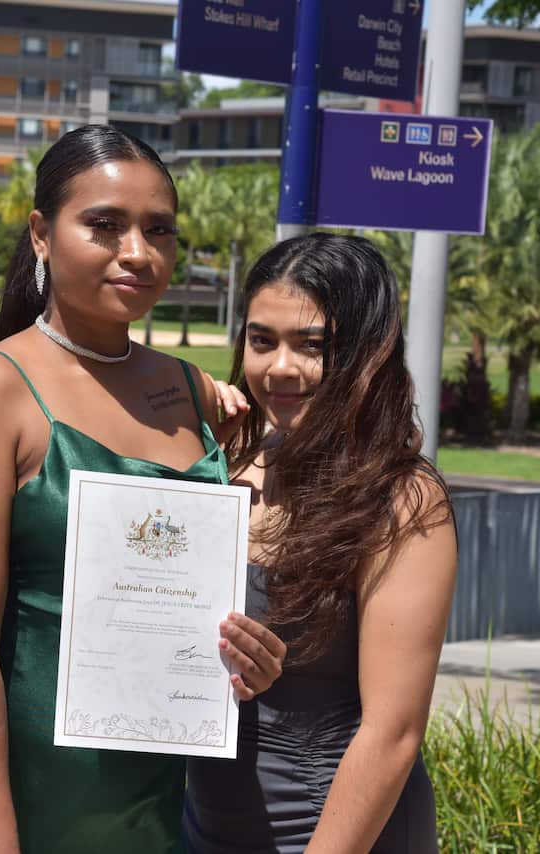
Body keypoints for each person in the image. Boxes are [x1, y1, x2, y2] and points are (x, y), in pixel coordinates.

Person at [0, 125, 287, 854]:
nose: (138, 253)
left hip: (164, 794)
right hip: (31, 795)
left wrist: (252, 659)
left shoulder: (189, 390)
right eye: (105, 225)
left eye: (159, 230)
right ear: (40, 234)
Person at [182, 233, 458, 853]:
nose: (280, 367)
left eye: (314, 346)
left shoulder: (402, 498)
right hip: (210, 826)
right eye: (262, 340)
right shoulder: (222, 461)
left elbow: (393, 732)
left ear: (368, 353)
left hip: (337, 832)